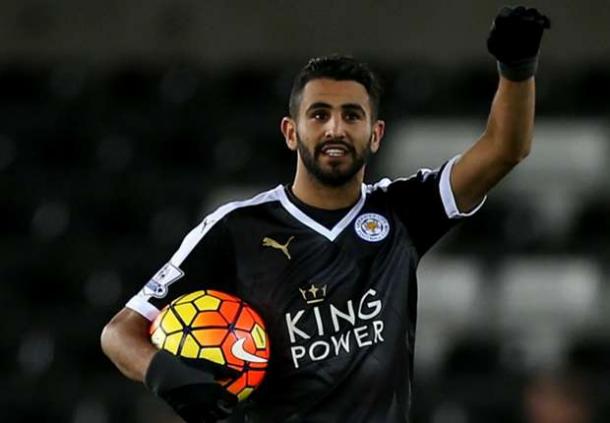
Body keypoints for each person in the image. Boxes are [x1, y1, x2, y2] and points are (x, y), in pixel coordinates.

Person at [101, 6, 550, 423]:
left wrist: (516, 68)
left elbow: (504, 149)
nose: (335, 128)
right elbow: (120, 333)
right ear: (291, 132)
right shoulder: (236, 228)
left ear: (375, 135)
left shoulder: (403, 211)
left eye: (351, 115)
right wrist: (168, 376)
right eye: (319, 114)